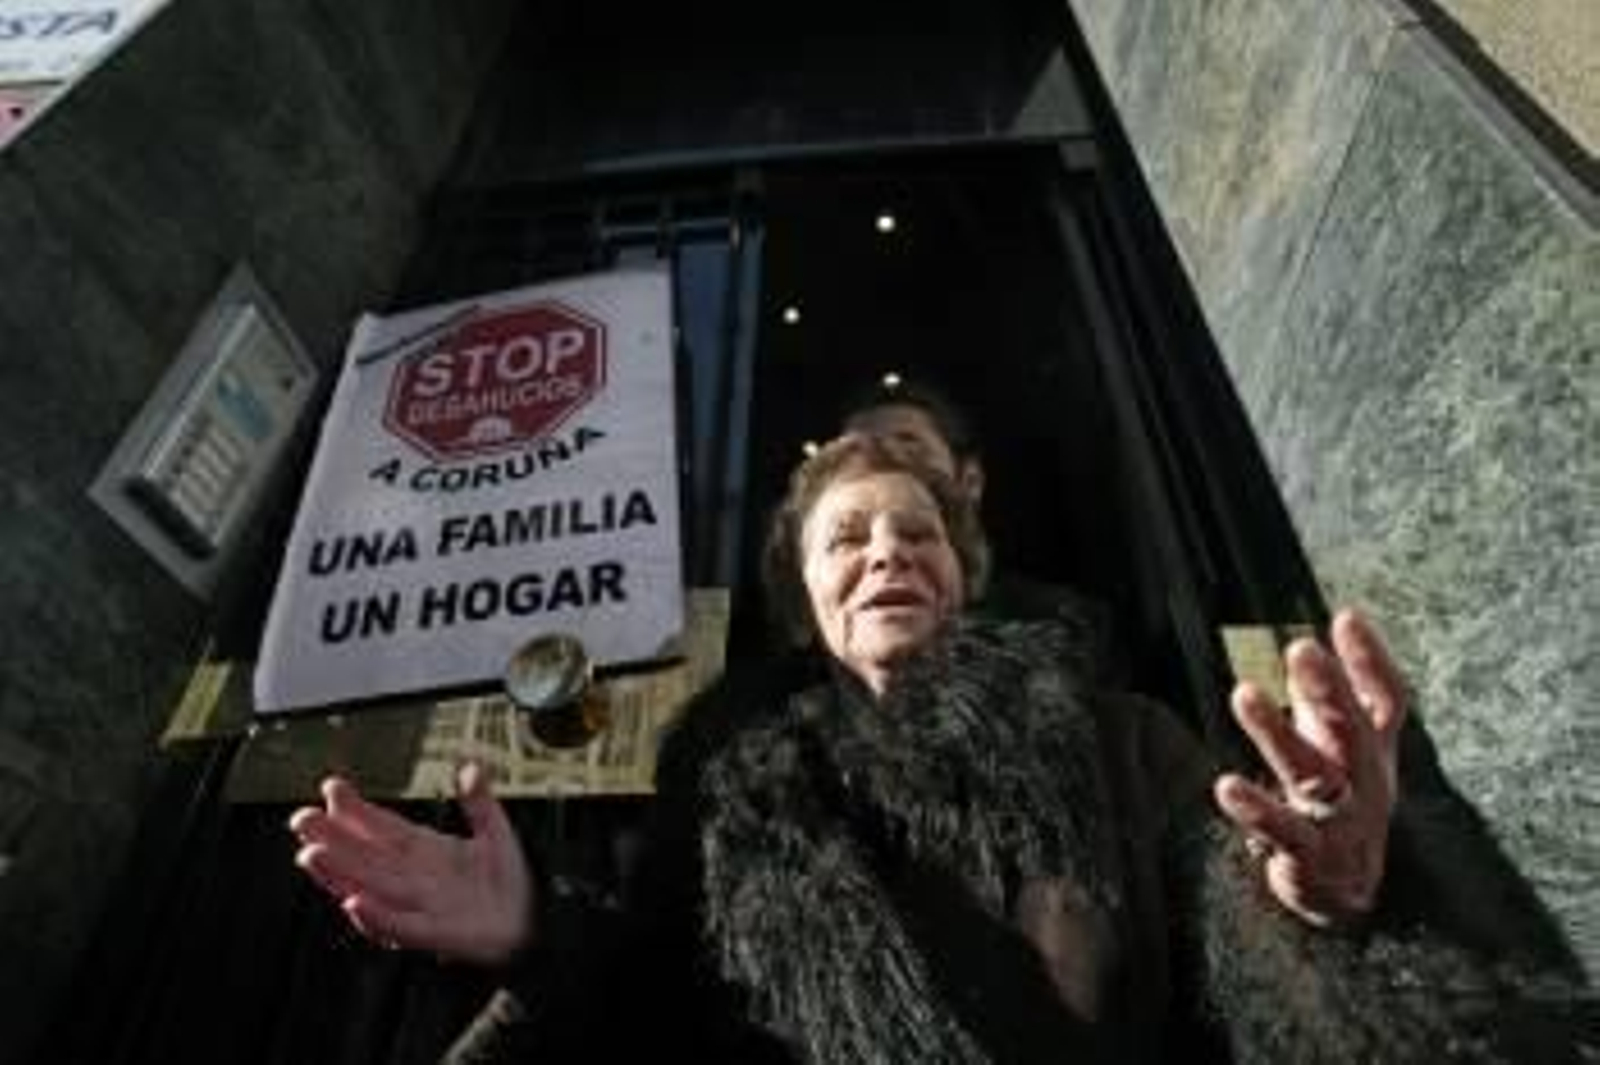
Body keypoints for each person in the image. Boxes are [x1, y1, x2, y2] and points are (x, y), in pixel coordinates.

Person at [289, 436, 1592, 1062]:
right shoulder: (736, 790)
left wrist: (1321, 902)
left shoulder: (1115, 731)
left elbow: (1236, 926)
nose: (885, 552)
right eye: (847, 538)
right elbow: (665, 1023)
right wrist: (538, 935)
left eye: (915, 531)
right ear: (809, 602)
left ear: (964, 576)